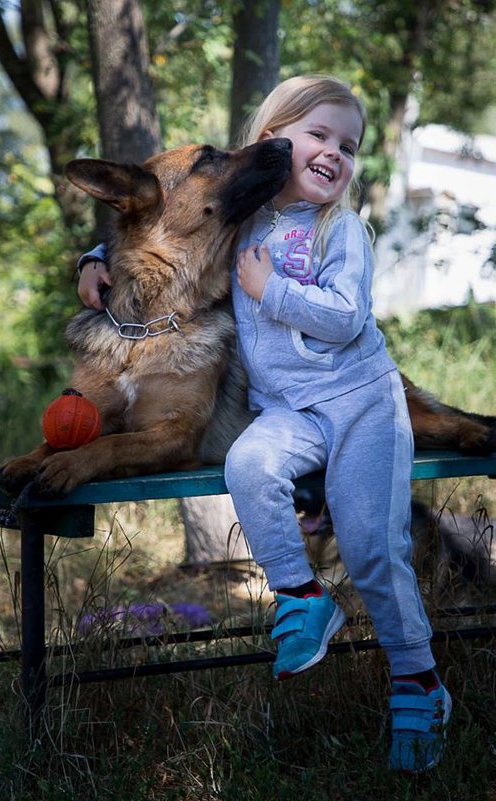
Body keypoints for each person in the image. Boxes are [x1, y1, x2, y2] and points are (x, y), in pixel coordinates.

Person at [76, 74, 451, 773]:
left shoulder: (345, 232)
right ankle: (303, 597)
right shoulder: (244, 219)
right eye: (319, 135)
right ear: (271, 142)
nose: (335, 153)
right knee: (247, 463)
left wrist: (270, 290)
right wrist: (93, 260)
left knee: (371, 547)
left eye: (349, 145)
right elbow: (165, 227)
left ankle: (417, 678)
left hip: (362, 404)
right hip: (290, 412)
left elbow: (346, 319)